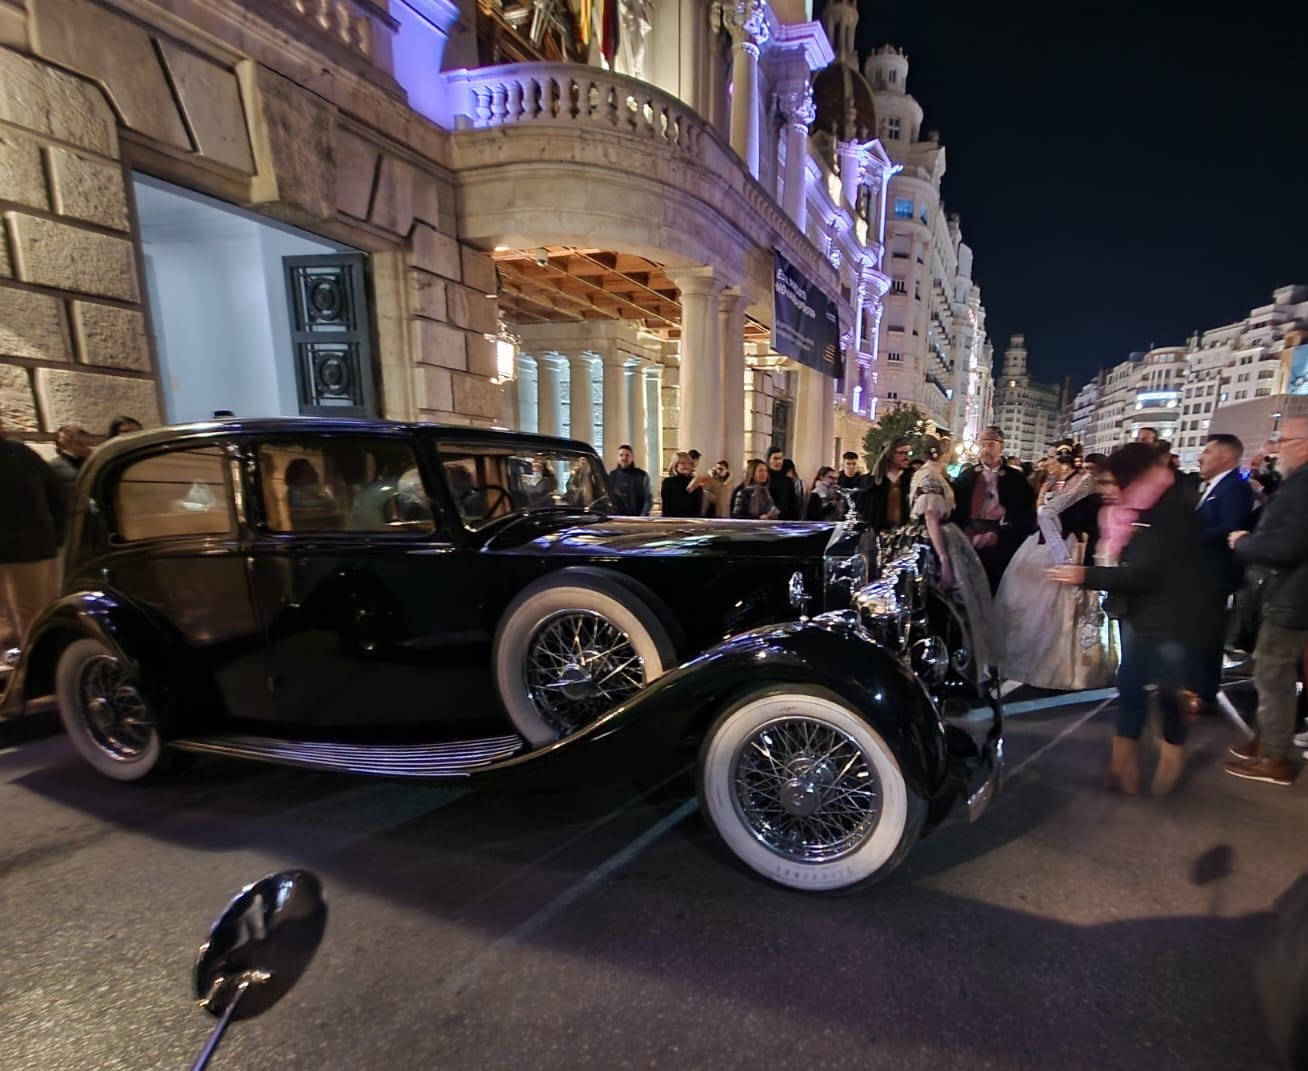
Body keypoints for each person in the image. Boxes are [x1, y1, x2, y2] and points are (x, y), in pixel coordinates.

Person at [1050, 443, 1226, 796]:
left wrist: (1085, 575)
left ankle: (1171, 754)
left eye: (1116, 480)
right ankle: (1122, 764)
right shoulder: (1136, 507)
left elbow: (1143, 573)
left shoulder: (1169, 510)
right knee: (1130, 683)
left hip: (1175, 620)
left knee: (1168, 692)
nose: (1110, 489)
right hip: (1140, 613)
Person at [1222, 416, 1308, 786]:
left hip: (1291, 595)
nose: (1274, 449)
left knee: (1274, 673)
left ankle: (1276, 757)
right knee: (1268, 672)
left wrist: (1243, 543)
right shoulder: (1297, 483)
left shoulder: (1303, 486)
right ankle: (1268, 740)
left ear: (1303, 445)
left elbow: (1287, 547)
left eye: (1282, 440)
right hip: (1284, 593)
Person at [995, 441, 1117, 690]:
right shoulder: (1051, 482)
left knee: (1063, 607)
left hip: (1070, 545)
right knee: (1024, 601)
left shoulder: (1083, 482)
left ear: (1063, 460)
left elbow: (1051, 512)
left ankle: (1065, 669)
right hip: (1041, 545)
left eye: (1051, 457)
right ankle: (1025, 661)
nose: (1047, 462)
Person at [909, 436, 999, 674]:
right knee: (947, 602)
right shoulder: (931, 477)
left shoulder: (929, 474)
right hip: (935, 544)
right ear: (941, 453)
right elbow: (931, 517)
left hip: (936, 540)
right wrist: (945, 559)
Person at [0, 413, 67, 648]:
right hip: (36, 547)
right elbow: (56, 497)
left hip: (23, 551)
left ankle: (37, 672)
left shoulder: (18, 455)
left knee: (31, 620)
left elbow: (53, 496)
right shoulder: (23, 453)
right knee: (34, 616)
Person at [951, 426, 1037, 593]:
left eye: (990, 444)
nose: (985, 449)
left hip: (1002, 541)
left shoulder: (1016, 479)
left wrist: (1005, 515)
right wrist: (968, 534)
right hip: (970, 540)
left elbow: (1028, 515)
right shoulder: (967, 476)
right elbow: (956, 511)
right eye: (982, 444)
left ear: (1001, 446)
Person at [853, 436, 913, 532]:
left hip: (904, 535)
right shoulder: (871, 483)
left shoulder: (911, 481)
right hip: (876, 536)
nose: (906, 457)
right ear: (889, 454)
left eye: (908, 453)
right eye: (902, 453)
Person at [47, 424, 93, 514]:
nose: (87, 448)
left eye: (88, 444)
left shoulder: (90, 463)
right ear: (66, 445)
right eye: (80, 444)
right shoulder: (54, 467)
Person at [660, 451, 710, 518]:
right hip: (675, 521)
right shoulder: (669, 482)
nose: (686, 466)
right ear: (676, 465)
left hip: (694, 521)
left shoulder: (695, 480)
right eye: (682, 463)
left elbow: (698, 506)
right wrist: (690, 488)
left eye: (689, 463)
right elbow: (670, 506)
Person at [608, 444, 651, 516]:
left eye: (627, 455)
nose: (624, 458)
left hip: (638, 519)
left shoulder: (642, 475)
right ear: (618, 458)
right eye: (621, 455)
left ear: (632, 457)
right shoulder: (612, 476)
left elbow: (648, 499)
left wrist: (642, 517)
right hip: (617, 519)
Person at [764, 446, 800, 520]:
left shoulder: (788, 481)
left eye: (781, 458)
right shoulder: (764, 479)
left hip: (785, 521)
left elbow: (793, 504)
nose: (779, 462)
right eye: (775, 458)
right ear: (768, 460)